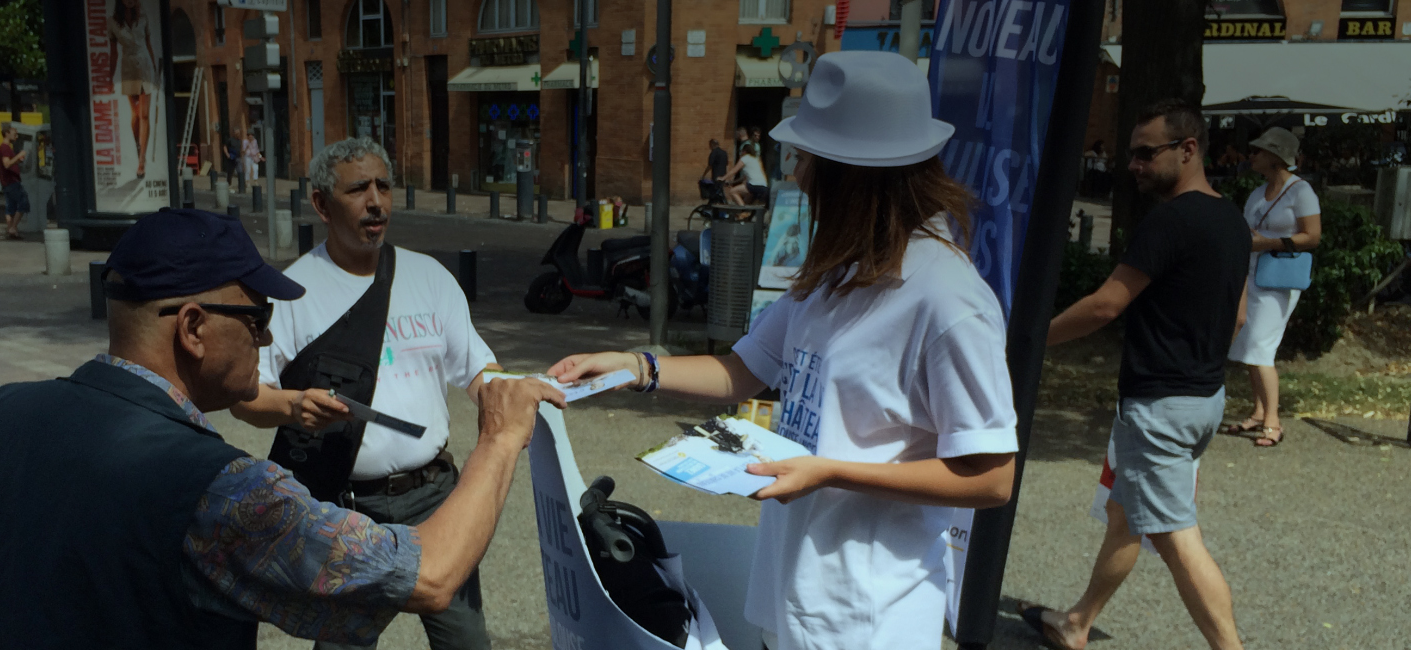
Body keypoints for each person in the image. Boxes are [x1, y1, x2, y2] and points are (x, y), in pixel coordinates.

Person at [0, 207, 566, 649]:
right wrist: (501, 438)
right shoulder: (216, 487)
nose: (264, 340)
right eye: (255, 318)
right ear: (194, 329)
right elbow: (430, 576)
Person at [550, 52, 1019, 650]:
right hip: (792, 599)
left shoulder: (950, 303)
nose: (795, 175)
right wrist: (637, 367)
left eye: (807, 159)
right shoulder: (837, 270)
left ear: (855, 174)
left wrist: (830, 472)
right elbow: (743, 370)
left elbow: (992, 477)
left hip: (870, 620)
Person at [230, 138, 505, 650]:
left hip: (435, 496)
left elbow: (479, 371)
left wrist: (511, 401)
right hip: (345, 506)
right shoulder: (292, 293)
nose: (376, 201)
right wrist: (293, 405)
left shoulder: (430, 278)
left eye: (383, 186)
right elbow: (245, 396)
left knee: (467, 642)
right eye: (358, 189)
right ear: (320, 204)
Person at [1021, 99, 1248, 650]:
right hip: (1203, 401)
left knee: (1177, 541)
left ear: (1188, 149)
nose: (1134, 165)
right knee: (1125, 516)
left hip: (1160, 410)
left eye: (1147, 153)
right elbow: (1238, 317)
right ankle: (1076, 622)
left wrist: (1026, 342)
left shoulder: (1169, 220)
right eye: (1132, 154)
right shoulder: (1232, 220)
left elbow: (1104, 306)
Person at [1222, 127, 1320, 447]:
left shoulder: (1300, 192)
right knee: (1249, 343)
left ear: (1276, 157)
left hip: (1277, 278)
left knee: (1261, 346)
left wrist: (1267, 242)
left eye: (1258, 151)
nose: (1252, 156)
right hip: (1250, 273)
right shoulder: (1257, 193)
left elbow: (1312, 237)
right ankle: (1259, 411)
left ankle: (1274, 422)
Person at [110, 0, 157, 180]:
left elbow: (149, 44)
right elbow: (113, 52)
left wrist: (154, 67)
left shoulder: (144, 17)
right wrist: (109, 77)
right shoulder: (113, 22)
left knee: (144, 114)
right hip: (128, 68)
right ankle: (139, 146)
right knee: (135, 114)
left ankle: (142, 161)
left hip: (145, 66)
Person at [0, 124, 29, 240]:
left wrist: (16, 160)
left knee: (11, 206)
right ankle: (13, 228)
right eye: (14, 132)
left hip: (8, 181)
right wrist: (19, 156)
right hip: (11, 181)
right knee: (23, 202)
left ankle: (11, 230)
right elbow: (6, 164)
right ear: (7, 133)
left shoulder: (6, 147)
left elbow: (10, 162)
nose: (16, 134)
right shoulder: (5, 147)